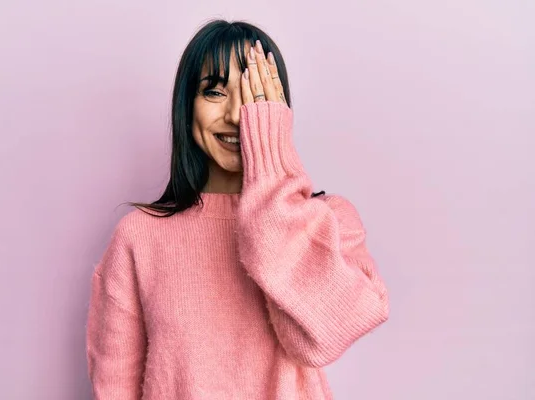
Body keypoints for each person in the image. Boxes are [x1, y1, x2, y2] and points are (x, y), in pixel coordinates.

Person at [86, 19, 389, 400]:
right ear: (187, 106)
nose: (234, 115)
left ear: (277, 109)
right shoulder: (138, 236)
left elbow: (316, 341)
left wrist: (272, 159)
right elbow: (115, 387)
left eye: (253, 94)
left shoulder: (328, 222)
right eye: (214, 91)